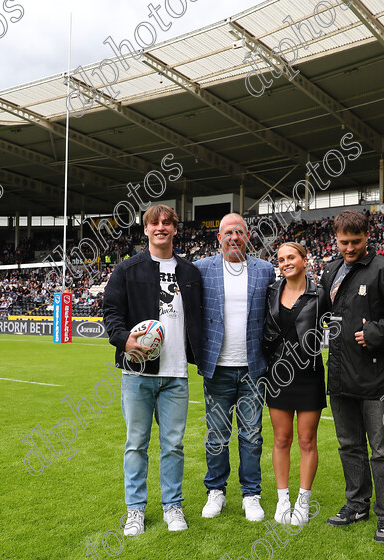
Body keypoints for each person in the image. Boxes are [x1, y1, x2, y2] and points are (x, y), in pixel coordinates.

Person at [319, 210, 384, 543]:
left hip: (378, 379)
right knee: (349, 446)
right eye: (343, 242)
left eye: (356, 242)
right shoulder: (331, 270)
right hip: (340, 375)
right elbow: (322, 312)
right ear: (335, 239)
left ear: (368, 236)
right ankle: (356, 504)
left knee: (381, 449)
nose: (349, 248)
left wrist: (376, 331)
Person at [102, 204, 204, 536]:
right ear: (145, 229)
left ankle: (173, 507)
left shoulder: (190, 273)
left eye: (167, 223)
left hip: (176, 375)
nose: (161, 227)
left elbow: (201, 318)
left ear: (175, 229)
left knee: (173, 445)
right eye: (154, 223)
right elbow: (111, 313)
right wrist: (124, 342)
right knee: (136, 444)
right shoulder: (126, 270)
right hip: (137, 373)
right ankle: (135, 511)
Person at [193, 213, 275, 522]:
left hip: (253, 368)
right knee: (217, 435)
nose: (233, 237)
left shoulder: (265, 270)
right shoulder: (202, 269)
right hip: (218, 368)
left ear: (248, 236)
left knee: (252, 435)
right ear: (219, 238)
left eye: (239, 231)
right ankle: (216, 491)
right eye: (228, 232)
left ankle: (251, 495)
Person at [262, 242, 328, 527]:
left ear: (304, 259)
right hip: (278, 374)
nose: (285, 262)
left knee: (307, 440)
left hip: (309, 374)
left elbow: (336, 325)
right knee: (281, 439)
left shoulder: (321, 293)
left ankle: (303, 500)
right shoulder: (271, 292)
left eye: (291, 257)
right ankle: (283, 500)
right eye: (280, 259)